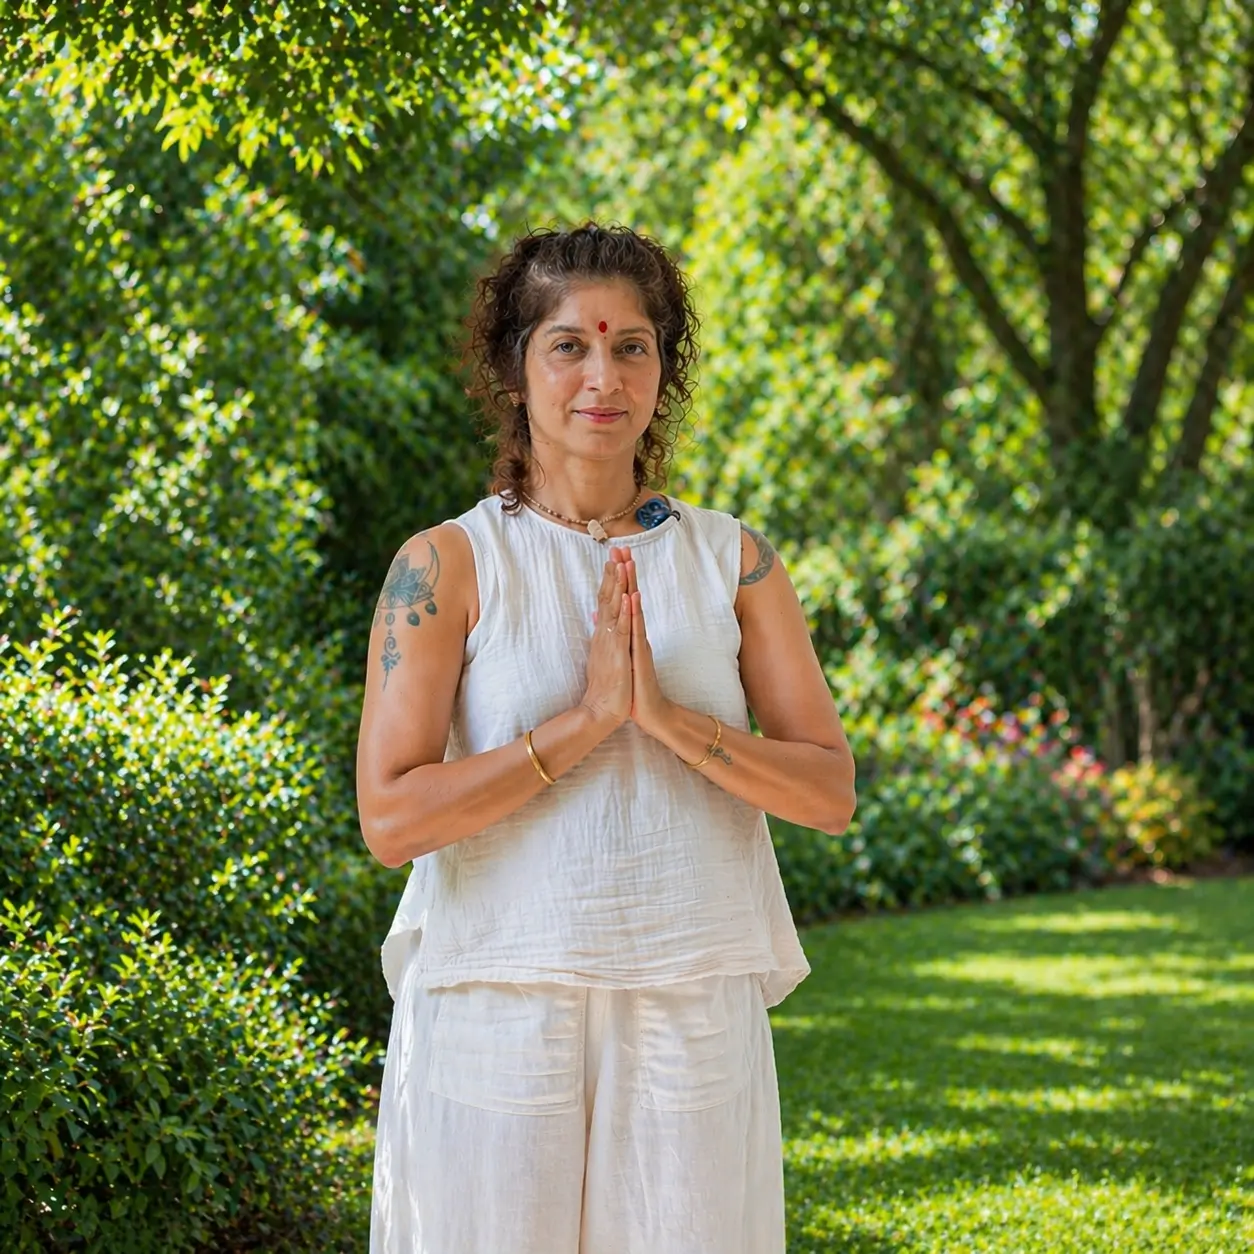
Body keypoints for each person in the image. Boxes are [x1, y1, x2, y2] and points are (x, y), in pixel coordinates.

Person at [356, 222, 856, 1254]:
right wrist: (583, 726)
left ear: (663, 369)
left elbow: (828, 792)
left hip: (692, 995)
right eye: (569, 346)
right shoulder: (444, 565)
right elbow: (392, 817)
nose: (603, 375)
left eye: (633, 345)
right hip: (497, 997)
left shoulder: (737, 562)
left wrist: (666, 720)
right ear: (514, 367)